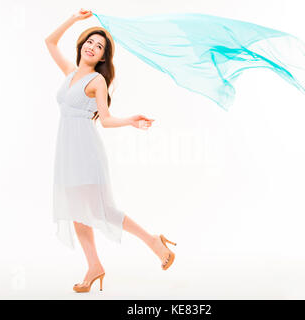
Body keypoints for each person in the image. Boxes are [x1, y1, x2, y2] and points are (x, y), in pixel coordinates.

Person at [45, 8, 177, 293]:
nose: (93, 47)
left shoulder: (97, 81)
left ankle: (153, 241)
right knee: (76, 211)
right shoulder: (69, 73)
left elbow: (104, 119)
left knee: (102, 210)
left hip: (84, 151)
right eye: (90, 42)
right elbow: (50, 42)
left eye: (99, 46)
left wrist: (130, 120)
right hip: (66, 151)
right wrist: (73, 19)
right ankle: (94, 266)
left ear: (103, 57)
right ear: (82, 46)